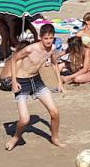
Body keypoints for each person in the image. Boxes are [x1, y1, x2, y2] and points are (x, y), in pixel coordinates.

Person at [5, 23, 64, 151]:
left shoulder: (53, 48)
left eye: (51, 38)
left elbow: (54, 63)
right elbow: (14, 59)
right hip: (22, 82)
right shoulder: (31, 49)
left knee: (55, 112)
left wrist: (59, 82)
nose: (48, 41)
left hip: (37, 81)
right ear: (41, 38)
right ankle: (16, 137)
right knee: (25, 119)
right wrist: (14, 82)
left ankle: (54, 138)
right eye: (46, 38)